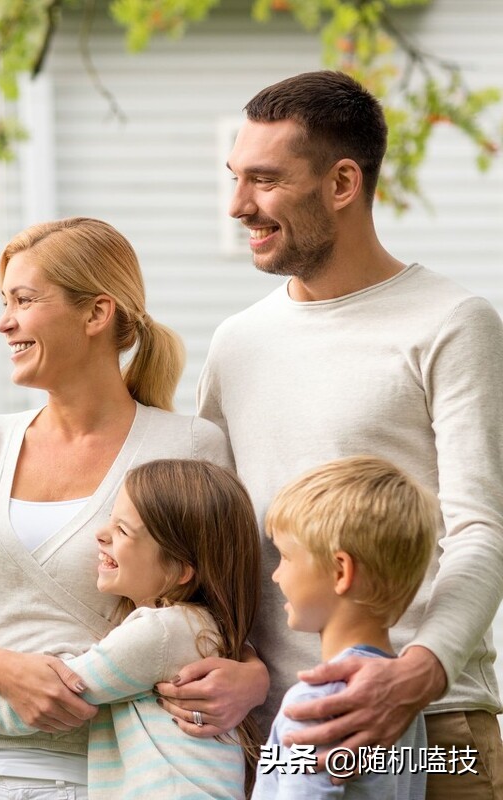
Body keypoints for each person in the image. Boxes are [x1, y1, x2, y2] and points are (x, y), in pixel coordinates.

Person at [182, 70, 503, 797]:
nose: (239, 206)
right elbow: (200, 523)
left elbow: (481, 528)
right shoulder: (239, 341)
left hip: (433, 726)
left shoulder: (452, 322)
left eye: (264, 181)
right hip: (281, 734)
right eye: (235, 178)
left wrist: (419, 672)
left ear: (343, 183)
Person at [0, 217, 268, 798]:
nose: (5, 322)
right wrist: (8, 674)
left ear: (96, 313)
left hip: (95, 771)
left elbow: (219, 610)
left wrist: (254, 678)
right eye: (4, 301)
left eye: (24, 300)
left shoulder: (191, 446)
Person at [0, 459, 261, 799]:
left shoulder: (159, 633)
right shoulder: (198, 630)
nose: (101, 533)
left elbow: (48, 698)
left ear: (180, 569)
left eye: (122, 530)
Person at [253, 456, 436, 799]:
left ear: (341, 571)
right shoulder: (402, 706)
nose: (276, 574)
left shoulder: (317, 702)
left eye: (286, 557)